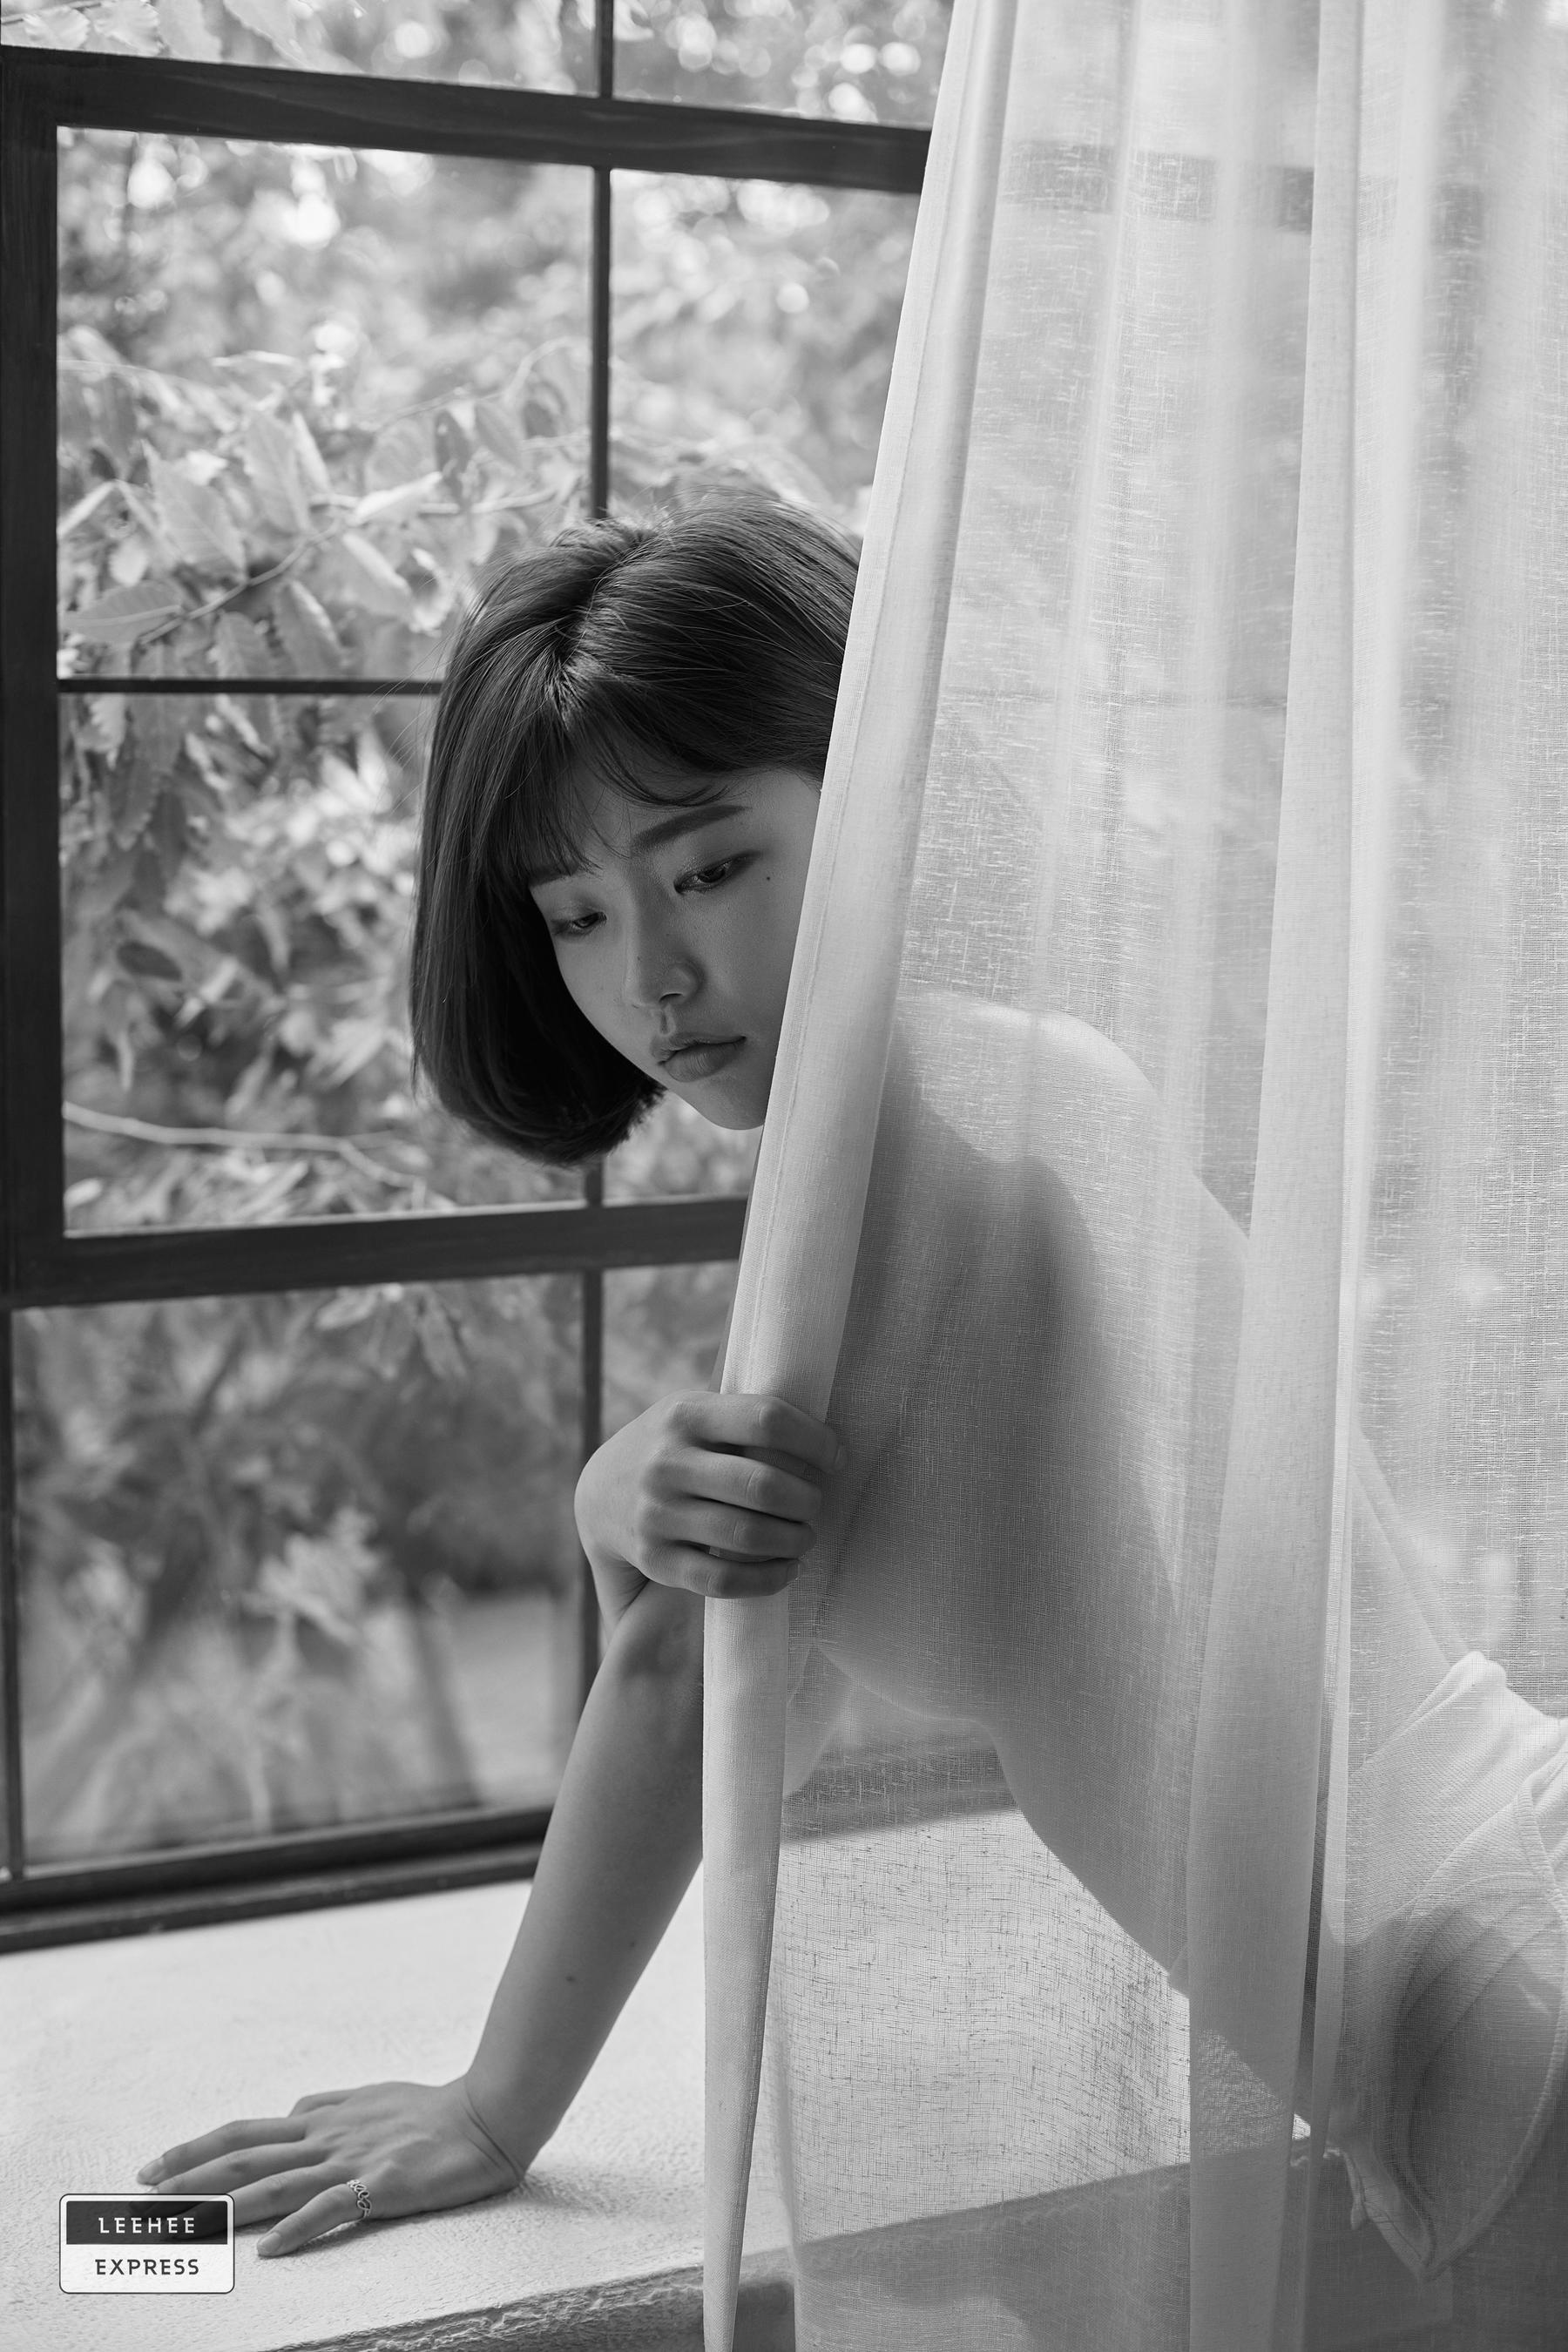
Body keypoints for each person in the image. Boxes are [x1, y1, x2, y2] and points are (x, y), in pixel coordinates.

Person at [135, 492, 1567, 2323]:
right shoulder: (1017, 1078)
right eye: (576, 912)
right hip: (1490, 1947)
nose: (650, 976)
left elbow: (694, 1685)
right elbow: (780, 1684)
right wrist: (612, 1498)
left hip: (1489, 2012)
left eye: (712, 866)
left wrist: (493, 2107)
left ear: (885, 791)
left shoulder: (898, 1142)